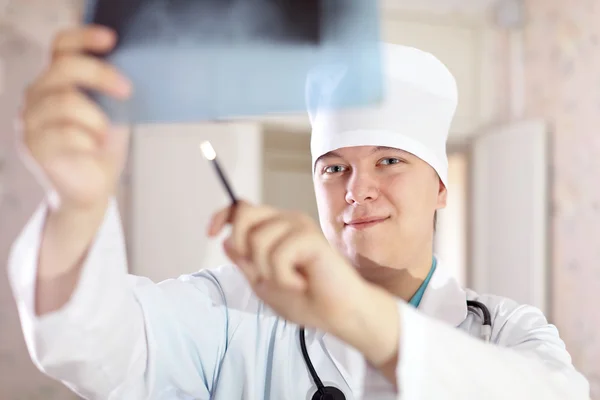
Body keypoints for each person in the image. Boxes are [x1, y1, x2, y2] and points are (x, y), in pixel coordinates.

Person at [7, 24, 590, 400]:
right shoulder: (234, 307)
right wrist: (78, 207)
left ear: (440, 187)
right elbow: (93, 346)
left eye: (389, 160)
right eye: (334, 167)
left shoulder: (507, 331)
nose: (358, 190)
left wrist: (358, 315)